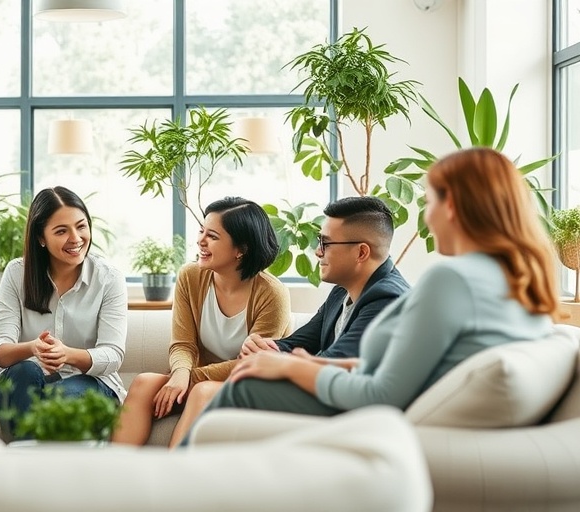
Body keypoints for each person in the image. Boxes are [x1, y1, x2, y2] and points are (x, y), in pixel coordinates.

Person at [180, 147, 559, 445]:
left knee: (243, 387)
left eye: (428, 203)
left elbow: (382, 392)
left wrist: (293, 367)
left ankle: (172, 489)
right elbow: (395, 369)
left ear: (452, 207)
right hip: (397, 412)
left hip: (376, 417)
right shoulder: (513, 280)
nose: (427, 217)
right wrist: (291, 359)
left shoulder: (450, 280)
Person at [167, 195, 409, 447]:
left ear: (361, 252)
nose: (317, 251)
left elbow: (335, 361)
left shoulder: (386, 299)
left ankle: (175, 468)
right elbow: (301, 341)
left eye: (325, 243)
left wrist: (278, 362)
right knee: (212, 388)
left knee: (215, 391)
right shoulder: (343, 290)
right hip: (324, 391)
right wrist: (266, 348)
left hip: (345, 406)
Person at [111, 197, 290, 446]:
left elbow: (254, 363)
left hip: (250, 385)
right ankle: (116, 466)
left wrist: (191, 378)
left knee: (201, 391)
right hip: (198, 379)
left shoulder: (272, 294)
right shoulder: (191, 276)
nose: (200, 241)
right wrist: (180, 373)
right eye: (201, 231)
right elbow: (182, 343)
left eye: (212, 236)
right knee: (144, 383)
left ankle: (175, 470)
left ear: (241, 249)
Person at [0, 186, 127, 440]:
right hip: (23, 385)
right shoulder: (17, 274)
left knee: (62, 399)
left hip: (87, 382)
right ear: (41, 238)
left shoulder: (108, 278)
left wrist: (68, 354)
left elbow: (113, 354)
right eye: (61, 231)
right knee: (25, 372)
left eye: (81, 226)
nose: (76, 238)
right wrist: (32, 348)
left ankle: (27, 453)